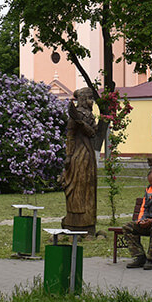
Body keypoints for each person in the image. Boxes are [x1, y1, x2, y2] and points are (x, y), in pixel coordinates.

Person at [60, 87, 99, 232]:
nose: (91, 101)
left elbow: (93, 132)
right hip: (78, 155)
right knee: (77, 184)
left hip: (88, 156)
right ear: (82, 99)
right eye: (89, 98)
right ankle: (74, 220)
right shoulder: (75, 115)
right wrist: (69, 155)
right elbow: (70, 135)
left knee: (88, 185)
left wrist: (84, 125)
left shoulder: (88, 115)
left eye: (92, 98)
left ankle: (88, 221)